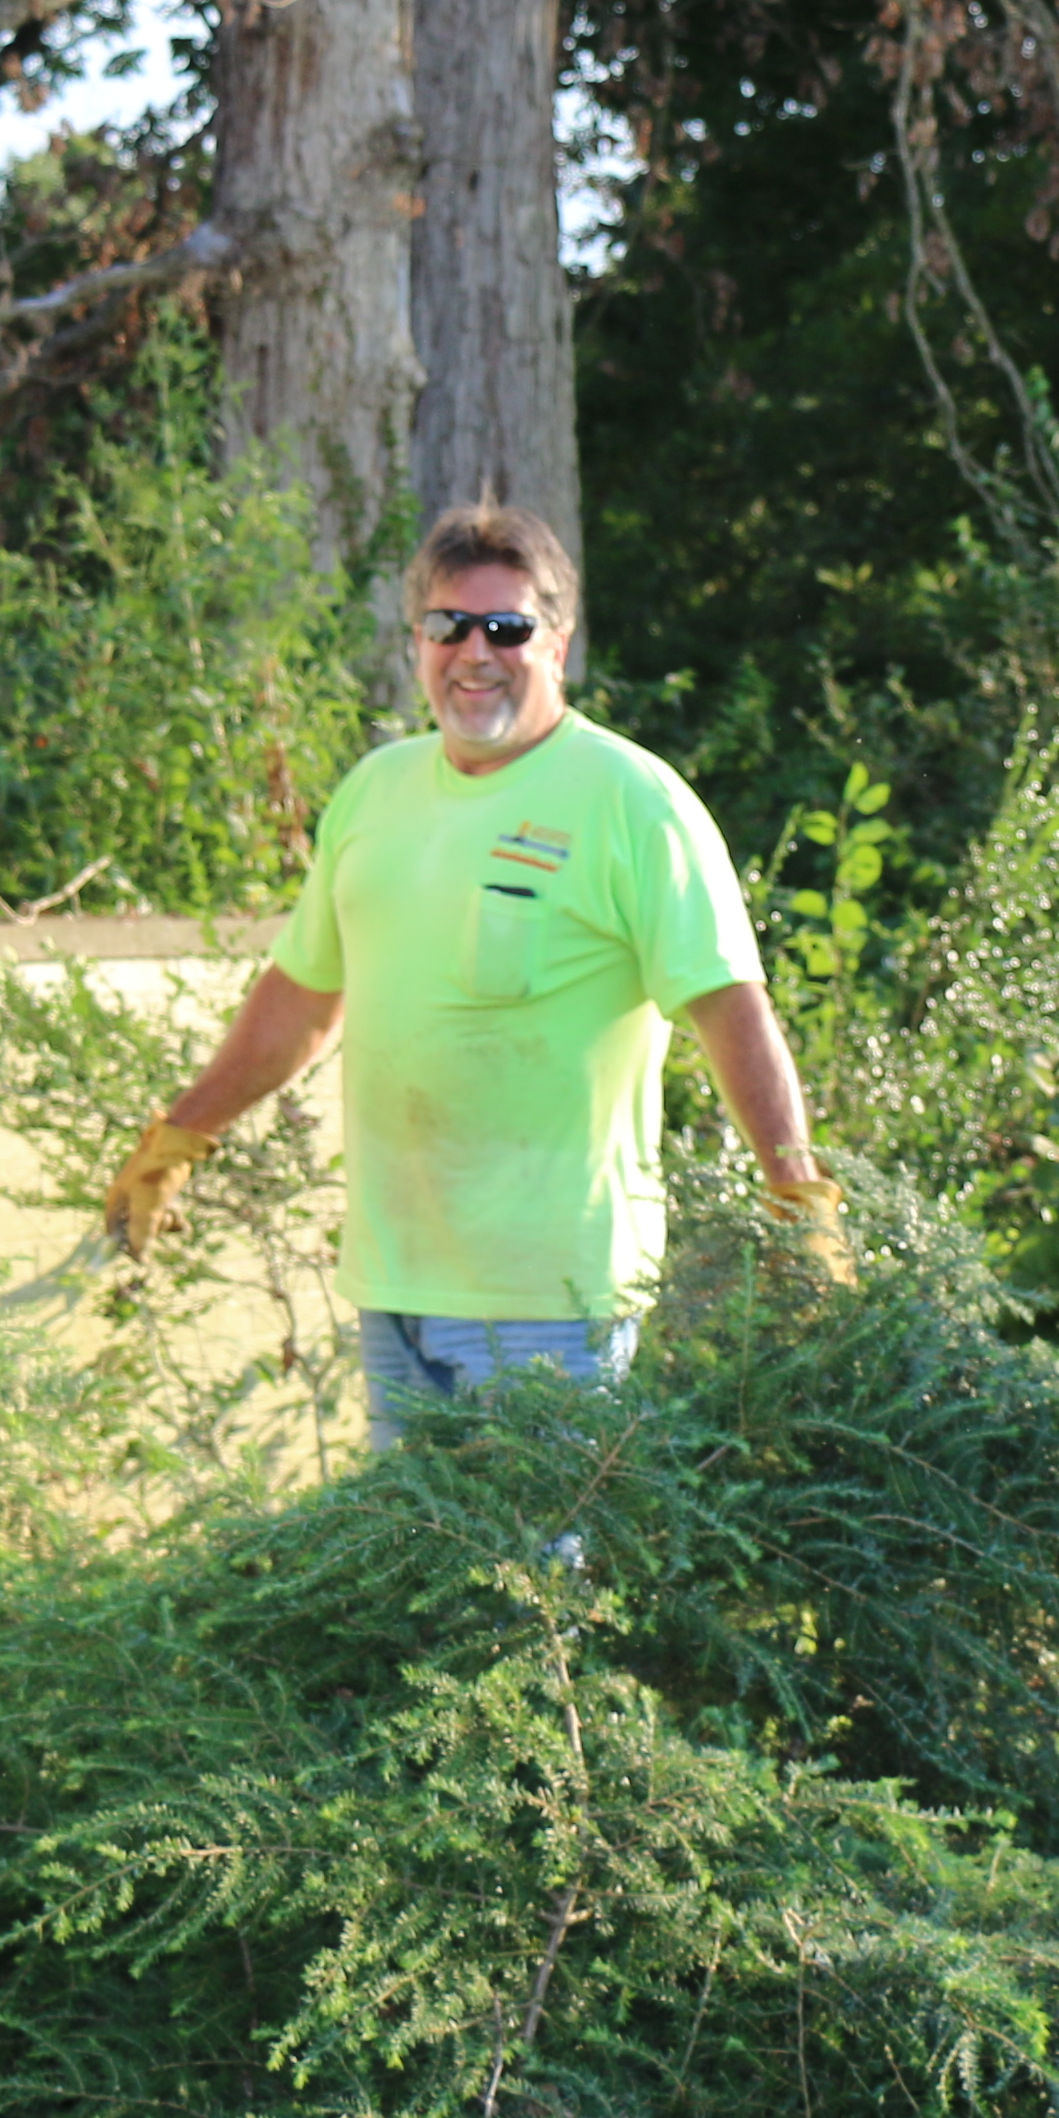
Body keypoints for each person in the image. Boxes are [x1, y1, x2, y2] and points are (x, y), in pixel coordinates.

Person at [104, 504, 843, 1433]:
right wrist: (181, 1136)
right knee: (414, 1569)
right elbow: (302, 997)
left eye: (508, 627)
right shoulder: (377, 791)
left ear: (559, 644)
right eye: (448, 626)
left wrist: (795, 1192)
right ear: (418, 641)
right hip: (396, 1279)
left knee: (534, 1572)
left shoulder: (631, 800)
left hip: (554, 1297)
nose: (475, 652)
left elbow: (728, 1007)